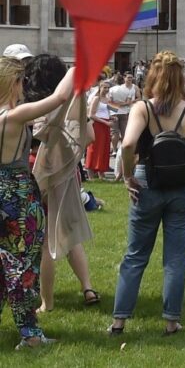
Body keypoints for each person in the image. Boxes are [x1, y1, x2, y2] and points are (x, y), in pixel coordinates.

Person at [110, 51, 185, 337]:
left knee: (136, 254)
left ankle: (119, 320)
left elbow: (128, 145)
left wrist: (128, 175)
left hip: (147, 181)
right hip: (182, 187)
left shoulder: (143, 108)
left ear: (152, 77)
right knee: (176, 258)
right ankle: (170, 320)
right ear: (182, 79)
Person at [0, 51, 75, 349]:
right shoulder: (15, 116)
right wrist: (76, 68)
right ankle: (29, 333)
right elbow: (59, 98)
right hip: (17, 194)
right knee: (22, 263)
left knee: (4, 261)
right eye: (22, 80)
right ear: (13, 82)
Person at [25, 55, 99, 313]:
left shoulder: (32, 104)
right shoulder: (70, 104)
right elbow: (88, 136)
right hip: (67, 171)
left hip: (36, 172)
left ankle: (47, 302)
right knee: (65, 229)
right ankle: (87, 287)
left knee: (44, 241)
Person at [84, 80, 114, 180]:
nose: (106, 89)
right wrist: (105, 122)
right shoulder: (96, 98)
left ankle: (101, 172)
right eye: (104, 87)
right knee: (94, 148)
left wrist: (112, 118)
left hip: (106, 124)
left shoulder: (107, 99)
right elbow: (91, 114)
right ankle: (91, 173)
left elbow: (107, 111)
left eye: (107, 88)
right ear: (100, 88)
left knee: (104, 148)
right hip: (97, 125)